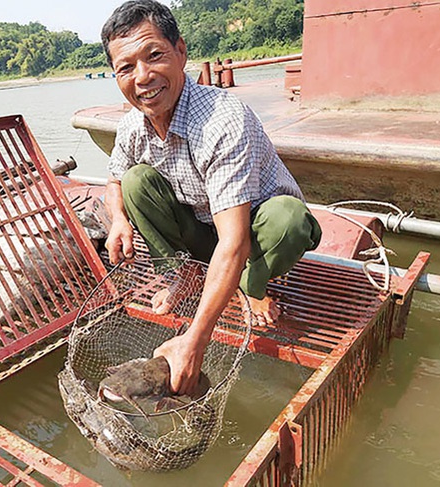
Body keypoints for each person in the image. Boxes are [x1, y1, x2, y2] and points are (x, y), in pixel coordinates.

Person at [101, 0, 322, 397]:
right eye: (126, 67)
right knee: (137, 180)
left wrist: (194, 341)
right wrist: (118, 218)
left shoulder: (222, 120)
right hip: (205, 226)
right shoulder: (133, 124)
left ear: (181, 51)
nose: (143, 76)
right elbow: (116, 177)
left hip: (256, 231)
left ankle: (254, 287)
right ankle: (184, 276)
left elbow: (235, 241)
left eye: (154, 56)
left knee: (288, 218)